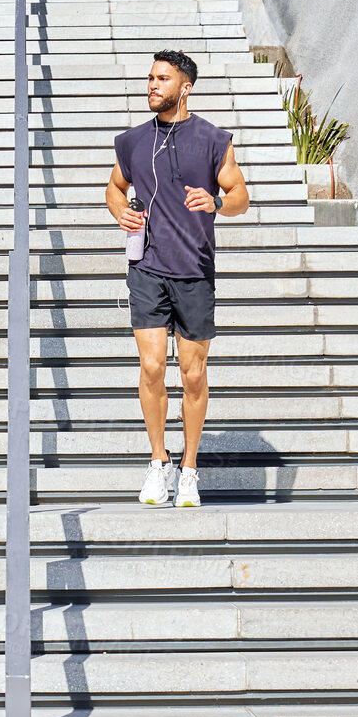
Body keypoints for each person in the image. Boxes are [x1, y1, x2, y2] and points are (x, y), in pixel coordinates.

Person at [105, 50, 249, 507]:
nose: (152, 85)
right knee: (151, 367)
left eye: (162, 79)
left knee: (192, 374)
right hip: (146, 266)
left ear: (185, 87)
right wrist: (121, 214)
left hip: (195, 270)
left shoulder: (212, 139)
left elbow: (240, 194)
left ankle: (189, 469)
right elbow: (114, 188)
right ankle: (157, 464)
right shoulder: (131, 141)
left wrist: (217, 204)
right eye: (150, 78)